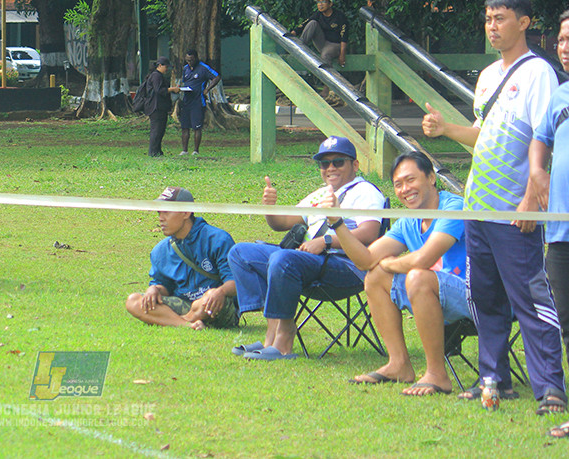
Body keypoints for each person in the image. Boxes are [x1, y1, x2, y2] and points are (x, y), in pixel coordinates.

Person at [423, 0, 566, 415]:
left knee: (530, 300)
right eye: (487, 18)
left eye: (500, 18)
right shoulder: (487, 76)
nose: (492, 26)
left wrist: (530, 201)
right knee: (484, 298)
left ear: (524, 22)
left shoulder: (539, 73)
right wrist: (446, 129)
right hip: (478, 207)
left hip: (514, 211)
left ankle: (550, 389)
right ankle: (494, 379)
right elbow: (482, 134)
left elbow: (544, 140)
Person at [323, 151, 470, 396]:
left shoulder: (453, 206)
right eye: (398, 184)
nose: (405, 189)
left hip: (474, 295)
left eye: (411, 180)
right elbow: (365, 260)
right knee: (375, 277)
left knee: (417, 276)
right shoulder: (408, 222)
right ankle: (398, 363)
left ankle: (436, 374)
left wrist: (391, 264)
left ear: (431, 178)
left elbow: (424, 259)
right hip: (432, 294)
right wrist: (337, 222)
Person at [227, 136, 387, 360]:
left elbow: (370, 233)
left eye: (338, 162)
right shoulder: (320, 194)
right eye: (324, 163)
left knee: (283, 259)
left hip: (345, 266)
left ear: (355, 165)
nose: (330, 168)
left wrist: (325, 241)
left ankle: (283, 343)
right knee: (240, 253)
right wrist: (269, 208)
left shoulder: (366, 192)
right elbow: (281, 223)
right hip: (307, 263)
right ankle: (271, 332)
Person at [529, 9, 569, 438]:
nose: (564, 47)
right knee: (568, 324)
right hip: (560, 233)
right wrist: (538, 170)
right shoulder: (561, 95)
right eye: (561, 39)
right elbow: (540, 138)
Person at [124, 187, 238, 330]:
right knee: (134, 301)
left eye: (166, 211)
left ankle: (178, 320)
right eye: (159, 212)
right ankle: (187, 325)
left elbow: (235, 282)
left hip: (214, 305)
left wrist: (220, 292)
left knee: (207, 297)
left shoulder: (217, 239)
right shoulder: (160, 250)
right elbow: (164, 285)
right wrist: (154, 290)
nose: (161, 218)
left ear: (186, 212)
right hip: (183, 304)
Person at [172, 49, 219, 156]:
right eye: (187, 60)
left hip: (198, 101)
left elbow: (217, 77)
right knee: (184, 127)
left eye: (191, 60)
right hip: (186, 101)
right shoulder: (185, 68)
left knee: (197, 127)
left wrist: (207, 89)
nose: (189, 62)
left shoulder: (203, 68)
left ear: (196, 58)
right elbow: (185, 82)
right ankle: (184, 150)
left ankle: (196, 150)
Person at [291, 0, 348, 67]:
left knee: (325, 54)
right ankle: (300, 46)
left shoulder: (339, 16)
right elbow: (305, 23)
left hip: (335, 45)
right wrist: (292, 33)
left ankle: (327, 74)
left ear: (330, 4)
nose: (320, 4)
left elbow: (344, 36)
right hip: (322, 43)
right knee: (312, 23)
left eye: (323, 2)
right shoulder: (318, 15)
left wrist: (342, 54)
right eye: (318, 2)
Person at [143, 56, 172, 157]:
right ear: (160, 66)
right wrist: (171, 89)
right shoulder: (156, 76)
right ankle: (153, 151)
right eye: (166, 67)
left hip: (160, 106)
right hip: (155, 107)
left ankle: (158, 150)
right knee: (156, 129)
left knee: (160, 130)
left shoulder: (158, 75)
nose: (167, 69)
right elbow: (159, 90)